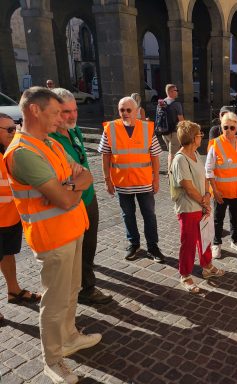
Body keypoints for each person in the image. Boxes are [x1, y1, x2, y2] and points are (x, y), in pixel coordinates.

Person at [3, 87, 101, 384]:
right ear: (35, 110)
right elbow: (65, 198)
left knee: (71, 292)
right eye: (56, 112)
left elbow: (85, 173)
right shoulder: (22, 152)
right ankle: (52, 359)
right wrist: (72, 187)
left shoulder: (50, 144)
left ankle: (70, 337)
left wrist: (72, 185)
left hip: (72, 230)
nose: (61, 119)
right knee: (55, 301)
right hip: (52, 237)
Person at [49, 88, 112, 305]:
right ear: (55, 112)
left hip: (88, 197)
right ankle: (86, 287)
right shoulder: (50, 139)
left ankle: (86, 283)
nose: (73, 115)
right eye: (66, 111)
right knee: (75, 250)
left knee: (89, 244)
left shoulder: (73, 130)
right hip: (71, 202)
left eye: (75, 109)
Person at [98, 96, 165, 263]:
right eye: (122, 110)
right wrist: (107, 180)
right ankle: (133, 244)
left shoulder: (147, 129)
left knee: (149, 214)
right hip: (121, 182)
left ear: (136, 111)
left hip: (144, 182)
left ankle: (152, 246)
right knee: (127, 215)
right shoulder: (110, 129)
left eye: (129, 110)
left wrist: (156, 179)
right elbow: (105, 156)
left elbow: (155, 156)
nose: (125, 113)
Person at [171, 120, 225, 293]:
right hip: (188, 208)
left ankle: (207, 266)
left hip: (201, 204)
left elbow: (203, 179)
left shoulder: (195, 154)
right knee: (188, 243)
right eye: (200, 134)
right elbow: (187, 186)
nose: (201, 137)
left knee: (205, 237)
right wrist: (204, 201)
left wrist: (208, 195)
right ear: (194, 138)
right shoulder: (180, 159)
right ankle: (185, 274)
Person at [0, 113, 42, 324]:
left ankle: (14, 291)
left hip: (11, 217)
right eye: (8, 130)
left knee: (8, 254)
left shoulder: (13, 152)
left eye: (14, 127)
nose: (13, 132)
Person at [206, 112, 237, 259]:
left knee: (236, 218)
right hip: (221, 191)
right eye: (225, 127)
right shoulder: (216, 144)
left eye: (232, 127)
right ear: (221, 127)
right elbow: (208, 169)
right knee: (218, 219)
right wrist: (214, 189)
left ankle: (235, 241)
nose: (229, 130)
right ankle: (216, 243)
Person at [161, 83, 185, 173]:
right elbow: (181, 120)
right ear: (171, 92)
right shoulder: (176, 104)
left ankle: (178, 169)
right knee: (172, 154)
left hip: (164, 132)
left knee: (176, 151)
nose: (177, 92)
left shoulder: (162, 102)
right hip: (174, 133)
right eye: (176, 90)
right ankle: (170, 173)